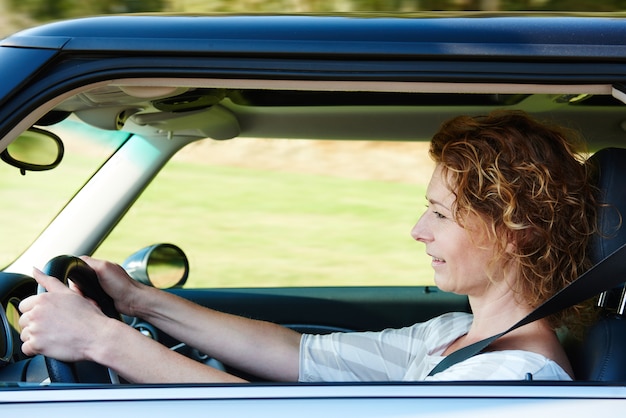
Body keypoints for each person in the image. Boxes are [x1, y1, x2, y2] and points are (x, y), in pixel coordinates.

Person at [18, 110, 597, 383]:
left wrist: (100, 338)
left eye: (442, 214)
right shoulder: (451, 336)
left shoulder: (509, 379)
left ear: (518, 230)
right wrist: (140, 302)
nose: (418, 230)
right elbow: (299, 358)